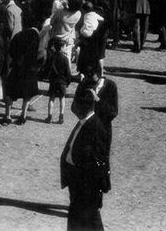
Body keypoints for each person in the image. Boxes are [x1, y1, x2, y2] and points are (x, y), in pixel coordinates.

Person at [60, 88, 111, 231]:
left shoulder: (96, 127)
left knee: (91, 220)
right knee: (77, 219)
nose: (73, 108)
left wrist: (93, 189)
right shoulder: (83, 122)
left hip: (87, 186)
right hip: (76, 181)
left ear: (84, 106)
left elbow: (100, 161)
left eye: (76, 104)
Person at [46, 38, 72, 124]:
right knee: (62, 99)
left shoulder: (51, 57)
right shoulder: (65, 58)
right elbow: (68, 72)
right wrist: (68, 81)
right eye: (64, 46)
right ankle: (61, 116)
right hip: (62, 81)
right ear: (61, 47)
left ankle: (49, 116)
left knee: (51, 98)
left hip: (53, 80)